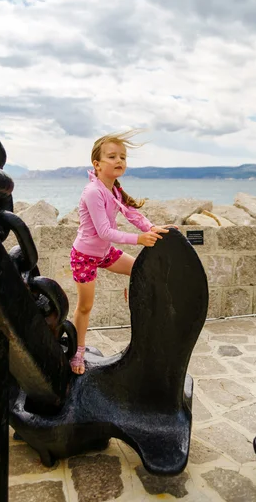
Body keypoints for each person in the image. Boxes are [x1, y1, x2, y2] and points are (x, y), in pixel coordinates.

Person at [69, 130, 176, 374]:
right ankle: (77, 352)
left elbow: (131, 213)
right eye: (112, 157)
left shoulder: (114, 190)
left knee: (140, 271)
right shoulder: (93, 192)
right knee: (85, 307)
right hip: (85, 256)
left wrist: (151, 228)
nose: (119, 161)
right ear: (97, 164)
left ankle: (133, 288)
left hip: (105, 253)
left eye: (123, 157)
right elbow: (105, 231)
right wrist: (139, 239)